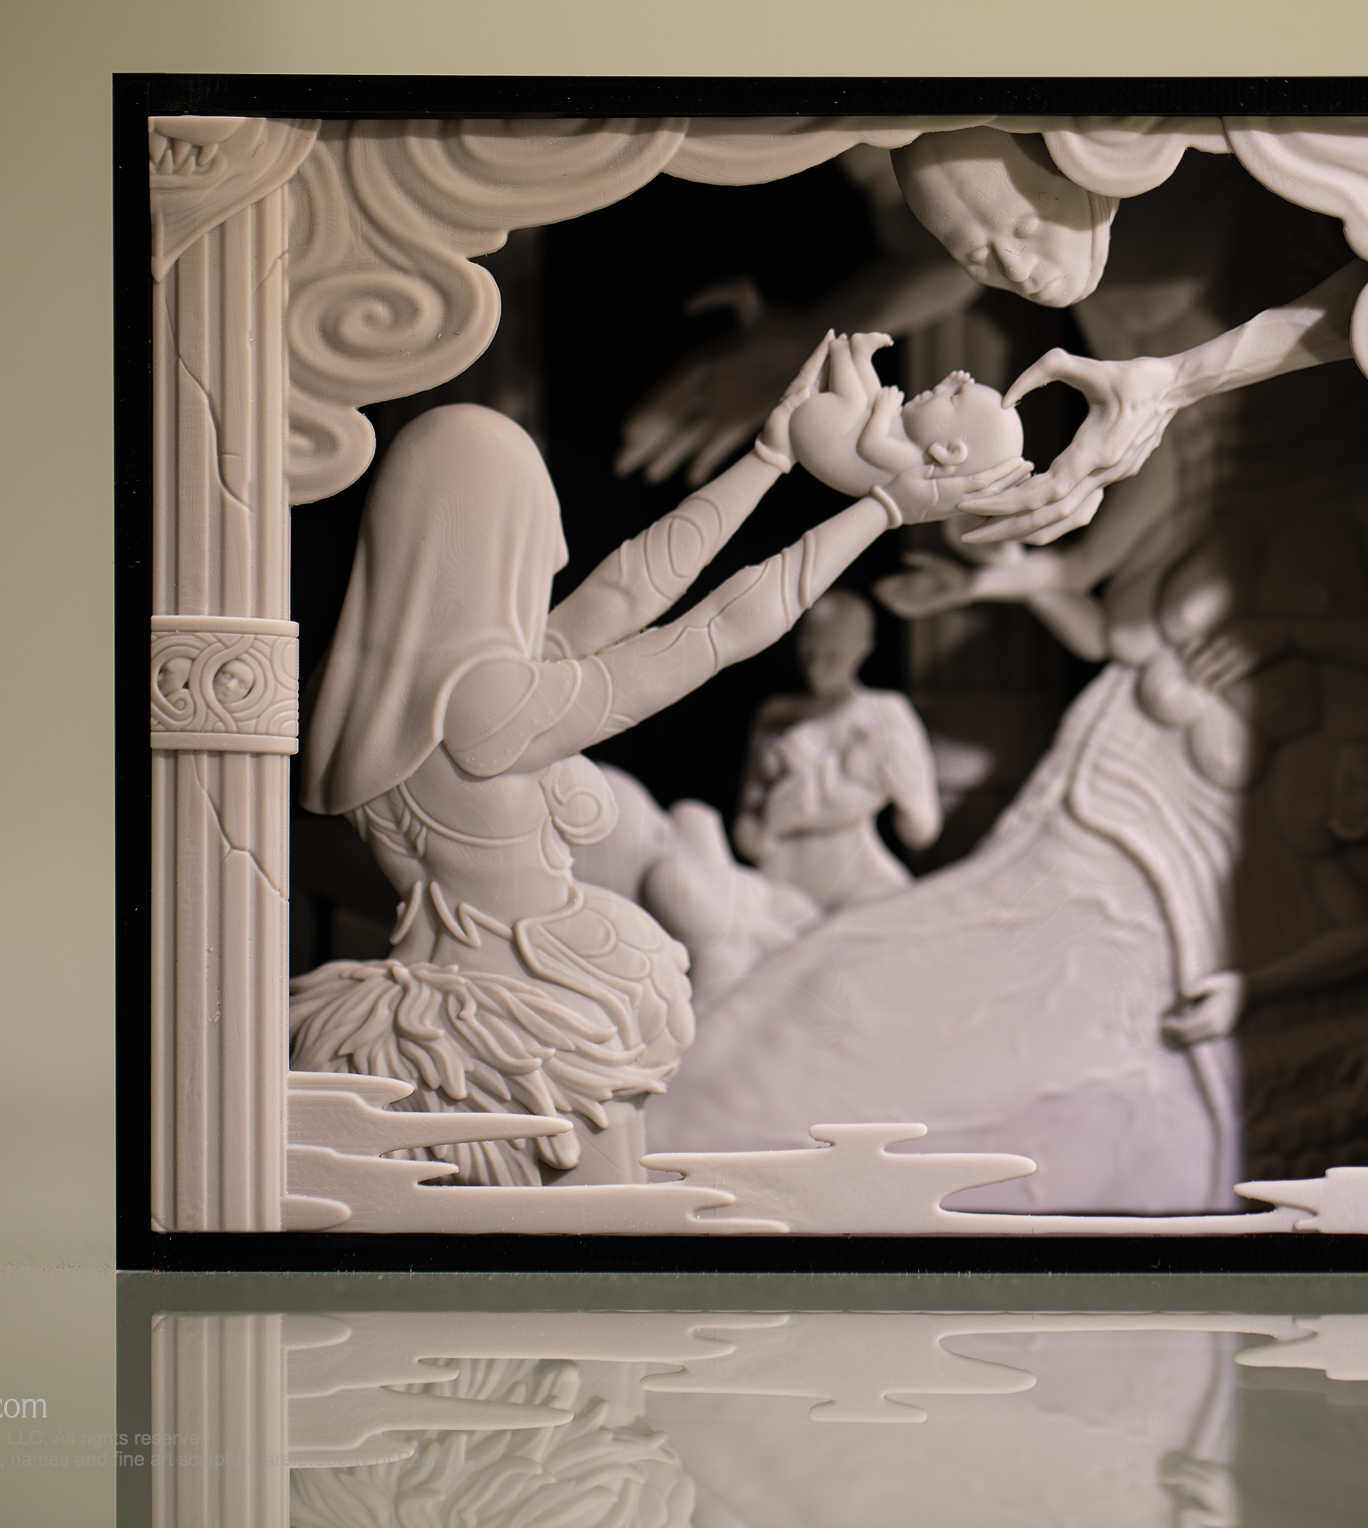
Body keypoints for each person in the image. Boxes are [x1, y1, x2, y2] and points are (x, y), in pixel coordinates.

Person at [648, 129, 1368, 1210]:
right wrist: (1048, 557)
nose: (1016, 269)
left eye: (1017, 225)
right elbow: (1175, 460)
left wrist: (1171, 392)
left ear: (1077, 153)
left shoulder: (1214, 164)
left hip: (1291, 612)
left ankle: (768, 1074)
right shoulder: (1098, 322)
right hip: (1194, 626)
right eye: (974, 254)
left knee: (1059, 953)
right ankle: (759, 1046)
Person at [288, 336, 1011, 1187]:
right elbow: (715, 633)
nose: (557, 548)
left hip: (510, 977)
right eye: (537, 517)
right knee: (582, 1226)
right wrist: (881, 512)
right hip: (528, 1008)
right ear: (493, 536)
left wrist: (768, 459)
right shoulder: (483, 705)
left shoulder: (418, 690)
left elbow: (628, 589)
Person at [734, 591, 942, 914]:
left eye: (832, 656)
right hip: (781, 885)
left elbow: (922, 829)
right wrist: (770, 824)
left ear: (864, 647)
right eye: (807, 653)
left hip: (858, 879)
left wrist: (907, 794)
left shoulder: (885, 712)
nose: (816, 668)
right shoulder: (774, 715)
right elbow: (746, 835)